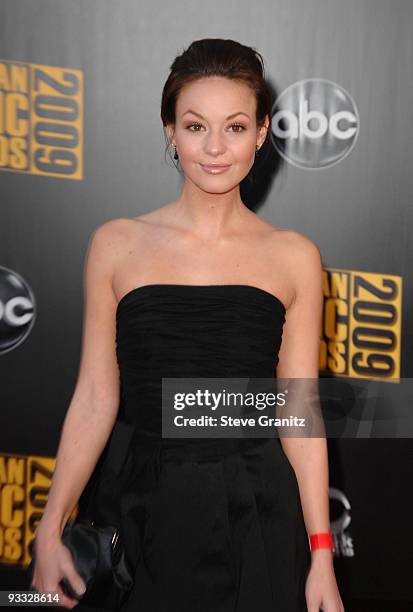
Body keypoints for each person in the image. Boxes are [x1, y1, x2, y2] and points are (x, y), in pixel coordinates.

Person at [30, 38, 345, 612]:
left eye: (235, 126)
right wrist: (49, 529)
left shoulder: (294, 255)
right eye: (197, 126)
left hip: (257, 508)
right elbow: (97, 396)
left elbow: (300, 414)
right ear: (170, 132)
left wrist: (321, 553)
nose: (217, 148)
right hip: (140, 505)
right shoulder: (116, 244)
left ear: (260, 132)